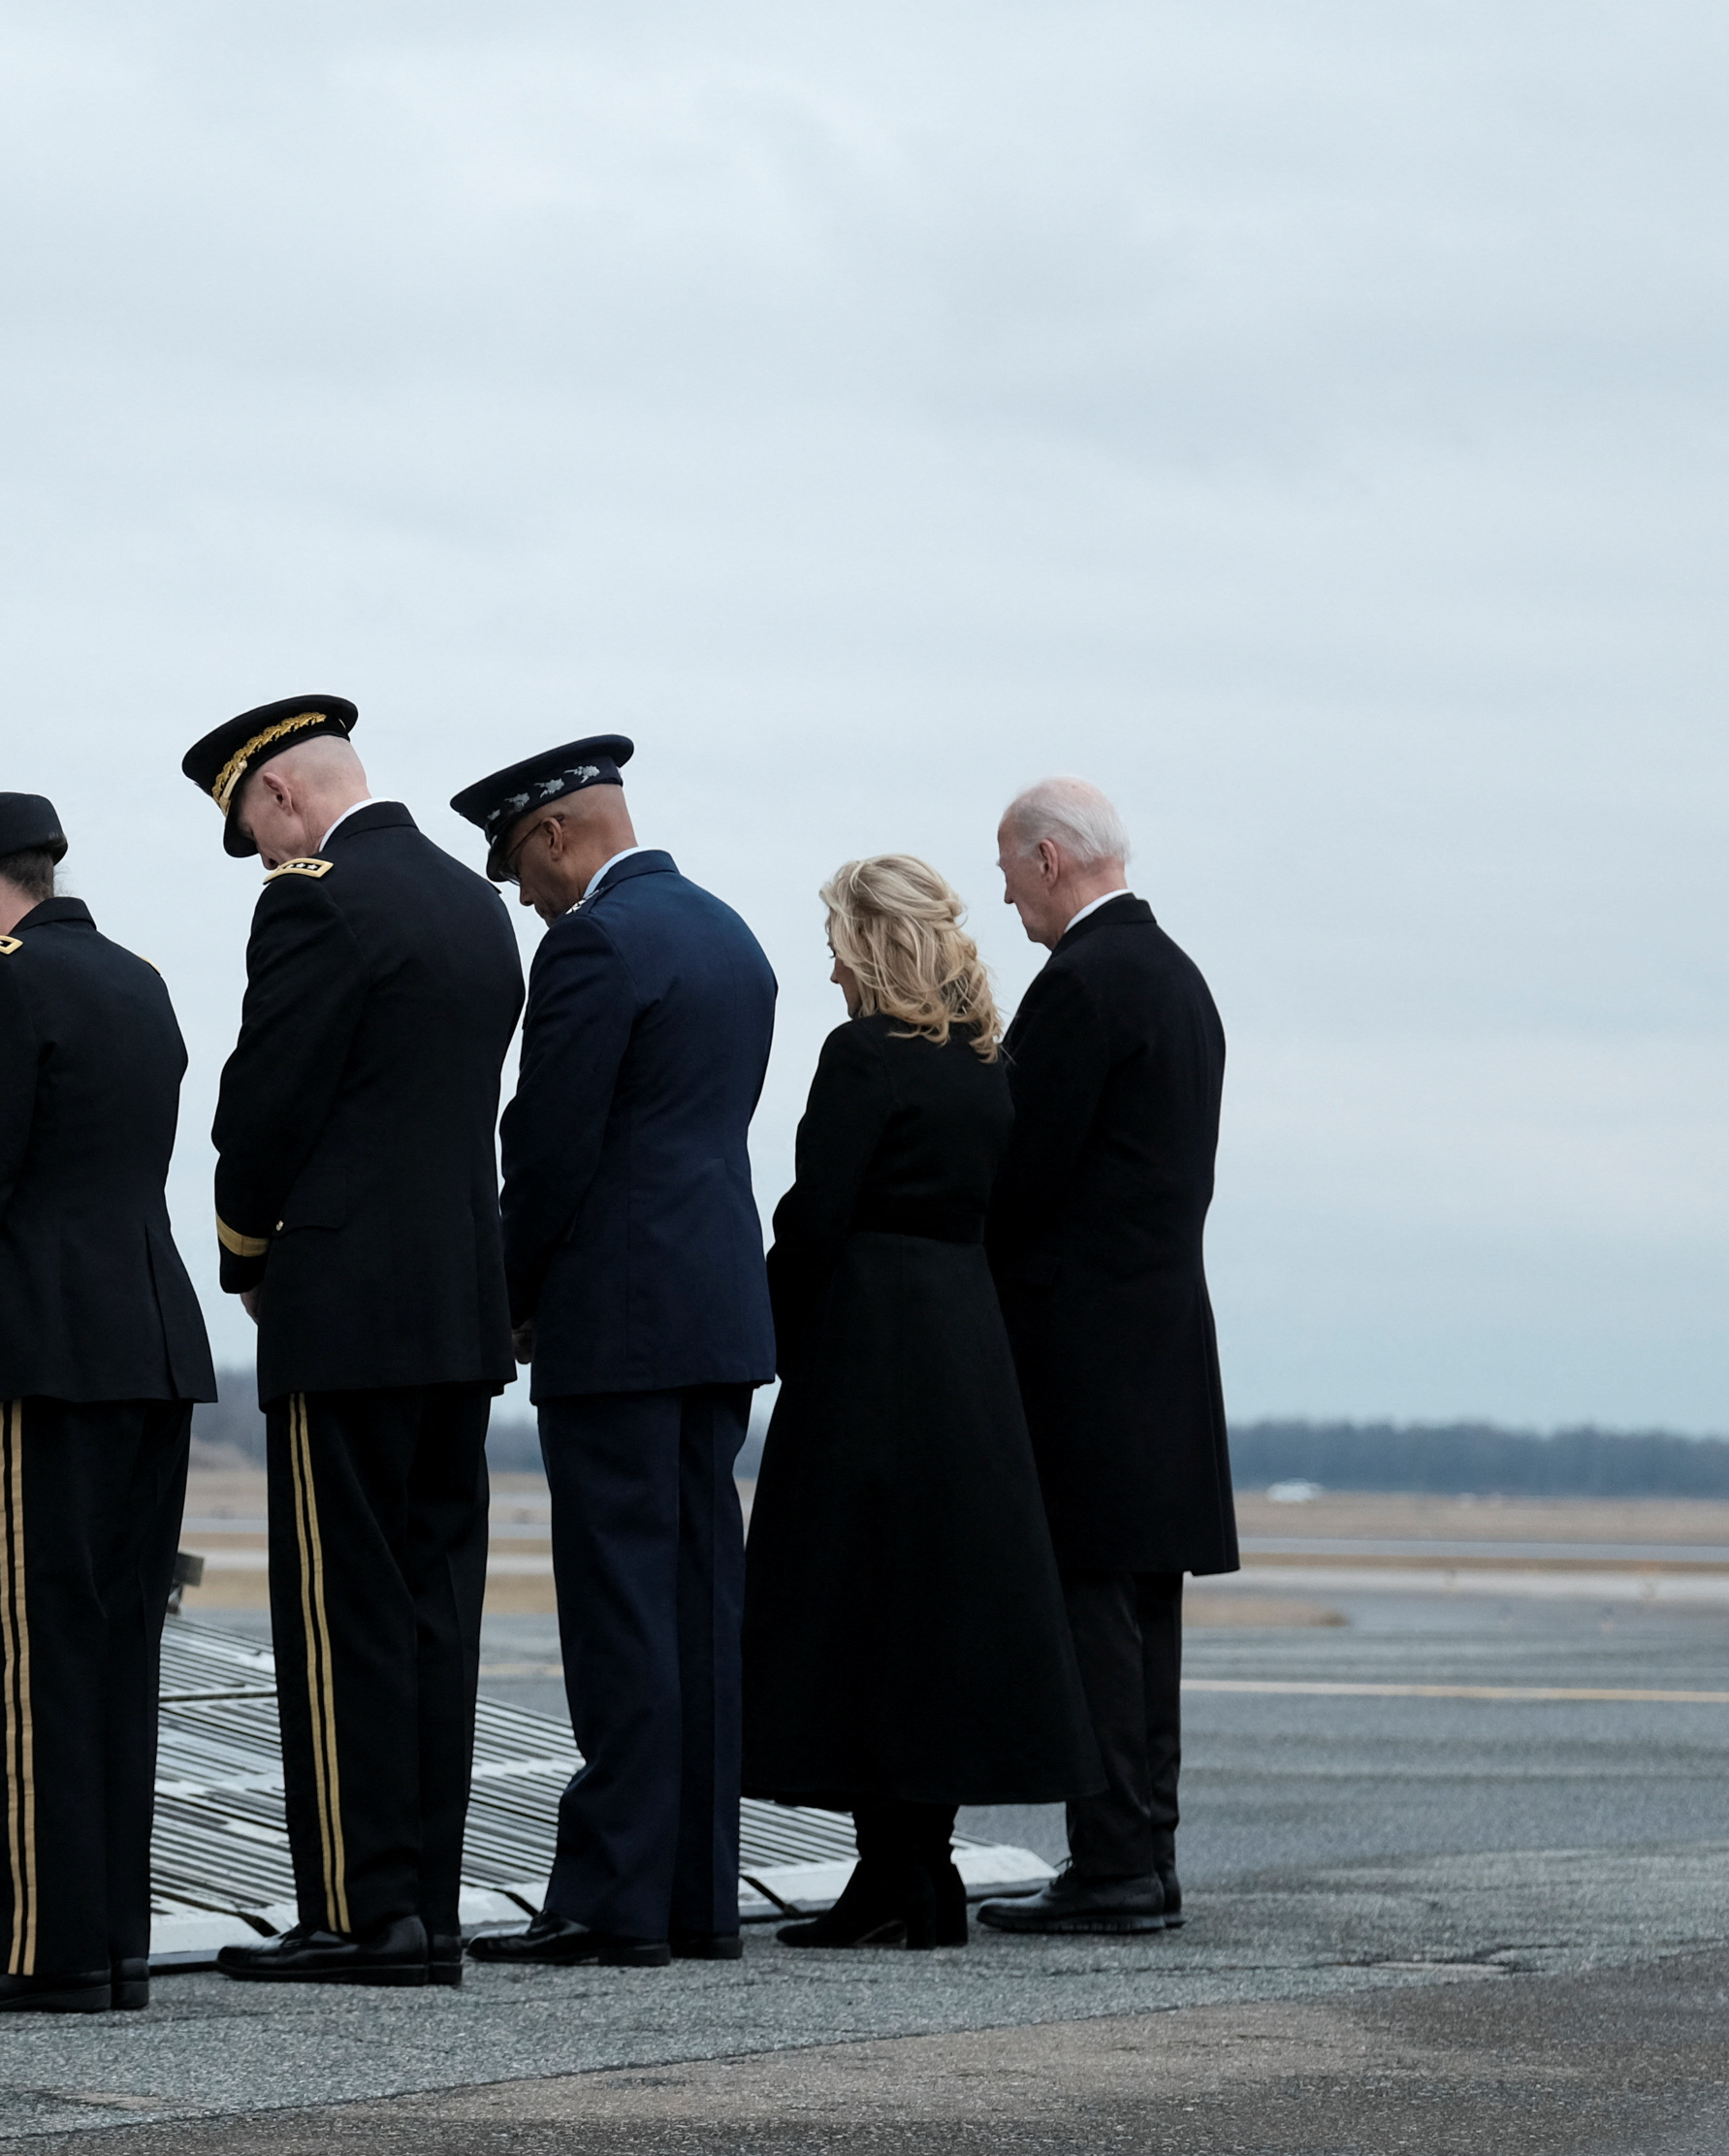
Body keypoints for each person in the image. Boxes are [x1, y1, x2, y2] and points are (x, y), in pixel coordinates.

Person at [183, 694, 525, 1990]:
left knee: (342, 1616)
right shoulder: (468, 900)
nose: (264, 859)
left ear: (280, 798)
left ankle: (356, 1907)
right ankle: (422, 1905)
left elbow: (263, 1101)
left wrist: (246, 1252)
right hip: (456, 1307)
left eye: (256, 831)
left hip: (346, 1309)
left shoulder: (317, 899)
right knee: (437, 1612)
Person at [0, 791, 215, 2017]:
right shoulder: (138, 978)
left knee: (32, 1655)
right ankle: (110, 1941)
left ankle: (42, 1946)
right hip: (153, 1341)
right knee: (120, 1651)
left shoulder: (6, 981)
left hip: (43, 1349)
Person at [447, 736, 775, 1970]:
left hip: (619, 1322)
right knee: (699, 1605)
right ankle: (697, 1892)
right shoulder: (729, 934)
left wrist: (510, 1295)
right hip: (713, 1314)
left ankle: (615, 1897)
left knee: (624, 1611)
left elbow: (549, 1149)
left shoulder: (591, 942)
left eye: (518, 871)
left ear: (550, 839)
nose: (526, 898)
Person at [744, 855, 1097, 1948]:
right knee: (939, 1613)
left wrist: (768, 1324)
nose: (829, 964)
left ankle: (890, 1873)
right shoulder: (983, 1063)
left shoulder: (861, 1056)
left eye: (837, 938)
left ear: (869, 941)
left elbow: (815, 1217)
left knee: (856, 1608)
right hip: (965, 1346)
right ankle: (919, 1871)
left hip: (868, 1348)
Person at [974, 777, 1235, 1939]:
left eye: (1005, 873)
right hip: (1164, 1338)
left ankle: (1116, 1866)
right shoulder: (1177, 978)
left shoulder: (1081, 984)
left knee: (1092, 1616)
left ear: (1045, 860)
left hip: (1082, 1351)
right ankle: (1144, 1855)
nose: (1006, 898)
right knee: (1144, 1614)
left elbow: (1020, 1174)